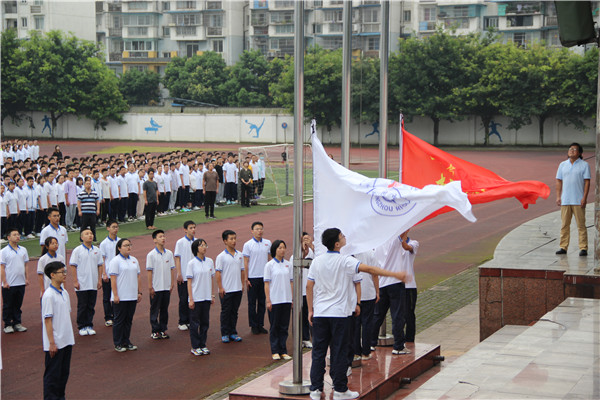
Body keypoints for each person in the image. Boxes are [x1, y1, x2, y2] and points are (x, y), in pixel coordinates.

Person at [307, 228, 408, 400]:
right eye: (342, 236)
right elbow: (370, 269)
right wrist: (394, 274)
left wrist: (310, 309)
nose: (345, 238)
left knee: (319, 352)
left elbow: (309, 286)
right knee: (339, 351)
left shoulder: (317, 261)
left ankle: (315, 389)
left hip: (321, 313)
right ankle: (339, 389)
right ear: (337, 244)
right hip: (339, 314)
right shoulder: (345, 260)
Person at [371, 233, 413, 356]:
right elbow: (406, 227)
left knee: (377, 315)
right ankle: (398, 346)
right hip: (395, 281)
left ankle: (370, 343)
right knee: (397, 315)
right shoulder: (395, 238)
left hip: (382, 283)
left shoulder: (377, 242)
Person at [41, 261, 75, 400]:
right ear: (52, 275)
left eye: (64, 271)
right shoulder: (48, 295)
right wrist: (51, 343)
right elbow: (48, 320)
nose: (64, 274)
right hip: (56, 342)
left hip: (67, 340)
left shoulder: (64, 292)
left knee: (63, 373)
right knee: (52, 375)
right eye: (62, 272)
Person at [555, 142, 591, 256]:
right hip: (565, 200)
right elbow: (558, 180)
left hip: (578, 199)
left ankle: (583, 247)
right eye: (570, 149)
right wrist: (558, 196)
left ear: (580, 153)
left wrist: (584, 198)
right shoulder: (562, 165)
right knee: (564, 225)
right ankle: (563, 247)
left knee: (581, 225)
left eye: (574, 149)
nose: (571, 151)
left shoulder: (584, 165)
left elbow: (587, 182)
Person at [108, 238, 142, 352]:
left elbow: (138, 277)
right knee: (119, 320)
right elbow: (113, 279)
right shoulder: (115, 261)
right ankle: (118, 342)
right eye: (126, 245)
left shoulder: (134, 260)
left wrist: (139, 292)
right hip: (121, 296)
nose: (128, 247)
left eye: (130, 245)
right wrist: (115, 295)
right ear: (119, 248)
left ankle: (126, 341)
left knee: (128, 320)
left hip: (132, 295)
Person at [69, 227, 103, 336]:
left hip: (92, 283)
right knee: (82, 305)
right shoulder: (77, 250)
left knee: (91, 305)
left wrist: (99, 280)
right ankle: (82, 325)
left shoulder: (97, 250)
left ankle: (89, 324)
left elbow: (100, 265)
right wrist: (75, 281)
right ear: (82, 237)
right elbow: (73, 266)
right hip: (82, 283)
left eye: (91, 233)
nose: (90, 235)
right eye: (87, 233)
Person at [264, 240, 293, 360]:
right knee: (275, 325)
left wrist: (291, 298)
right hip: (275, 300)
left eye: (284, 247)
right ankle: (275, 350)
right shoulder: (269, 265)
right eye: (279, 247)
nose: (282, 250)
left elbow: (291, 282)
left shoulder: (288, 264)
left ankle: (283, 350)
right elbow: (267, 283)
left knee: (284, 326)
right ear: (274, 249)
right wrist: (268, 300)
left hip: (286, 299)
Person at [215, 229, 245, 343]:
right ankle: (225, 333)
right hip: (226, 289)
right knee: (226, 312)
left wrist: (242, 284)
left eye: (235, 238)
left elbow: (242, 271)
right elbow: (218, 273)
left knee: (234, 312)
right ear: (225, 241)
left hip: (237, 288)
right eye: (231, 239)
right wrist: (221, 287)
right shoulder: (221, 257)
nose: (234, 241)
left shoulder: (239, 255)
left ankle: (233, 332)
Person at [187, 238, 215, 356]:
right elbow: (189, 282)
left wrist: (212, 294)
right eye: (201, 245)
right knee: (194, 323)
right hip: (196, 298)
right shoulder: (191, 263)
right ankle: (195, 346)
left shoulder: (209, 261)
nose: (204, 247)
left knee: (205, 323)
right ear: (196, 249)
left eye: (205, 245)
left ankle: (203, 344)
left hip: (206, 297)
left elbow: (211, 279)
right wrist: (191, 299)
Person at [243, 221, 271, 335]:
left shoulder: (267, 243)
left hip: (264, 277)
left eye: (261, 229)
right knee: (252, 303)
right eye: (257, 229)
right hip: (253, 277)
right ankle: (253, 325)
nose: (259, 231)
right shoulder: (248, 245)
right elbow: (245, 262)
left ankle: (260, 324)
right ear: (252, 231)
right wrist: (246, 278)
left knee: (262, 302)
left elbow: (269, 260)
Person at [147, 229, 175, 340]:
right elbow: (149, 271)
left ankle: (163, 329)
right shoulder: (151, 255)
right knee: (154, 309)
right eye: (160, 236)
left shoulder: (169, 253)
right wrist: (150, 286)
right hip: (156, 287)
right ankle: (155, 330)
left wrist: (171, 283)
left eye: (163, 236)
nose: (163, 238)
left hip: (166, 287)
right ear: (154, 240)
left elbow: (172, 269)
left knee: (164, 309)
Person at [1, 228, 29, 334]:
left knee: (18, 304)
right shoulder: (4, 252)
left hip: (20, 282)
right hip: (9, 283)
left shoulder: (23, 250)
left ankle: (17, 323)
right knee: (8, 304)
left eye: (18, 234)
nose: (17, 236)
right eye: (14, 235)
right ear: (8, 237)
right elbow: (2, 267)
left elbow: (26, 265)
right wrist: (4, 281)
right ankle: (7, 324)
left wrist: (26, 278)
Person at [353, 249, 379, 360]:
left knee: (355, 324)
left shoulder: (348, 253)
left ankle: (356, 351)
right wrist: (377, 291)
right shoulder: (369, 252)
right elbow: (375, 274)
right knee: (367, 323)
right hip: (368, 292)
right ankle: (366, 351)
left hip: (354, 295)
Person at [174, 220, 197, 331]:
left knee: (194, 298)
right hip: (184, 275)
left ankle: (192, 320)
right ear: (185, 229)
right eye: (191, 228)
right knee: (183, 299)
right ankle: (182, 321)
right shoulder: (180, 242)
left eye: (194, 227)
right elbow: (177, 258)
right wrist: (179, 273)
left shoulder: (197, 242)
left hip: (195, 276)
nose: (193, 230)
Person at [399, 231, 419, 343]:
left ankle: (410, 341)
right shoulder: (393, 245)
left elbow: (406, 247)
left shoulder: (414, 243)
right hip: (396, 285)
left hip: (409, 286)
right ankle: (399, 340)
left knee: (409, 315)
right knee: (398, 315)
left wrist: (403, 234)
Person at [99, 220, 119, 327]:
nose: (115, 229)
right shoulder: (104, 244)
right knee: (107, 296)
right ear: (108, 228)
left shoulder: (120, 241)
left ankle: (116, 315)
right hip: (108, 273)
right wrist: (104, 274)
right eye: (113, 227)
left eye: (116, 227)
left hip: (118, 274)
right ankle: (108, 317)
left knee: (117, 295)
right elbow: (102, 259)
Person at [77, 177, 100, 241]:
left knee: (93, 226)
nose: (88, 185)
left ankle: (94, 238)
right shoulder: (81, 193)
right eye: (87, 184)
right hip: (84, 212)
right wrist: (79, 211)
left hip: (92, 212)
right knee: (83, 226)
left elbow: (97, 201)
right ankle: (82, 239)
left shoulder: (94, 193)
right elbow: (79, 202)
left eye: (89, 184)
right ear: (84, 185)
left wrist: (98, 209)